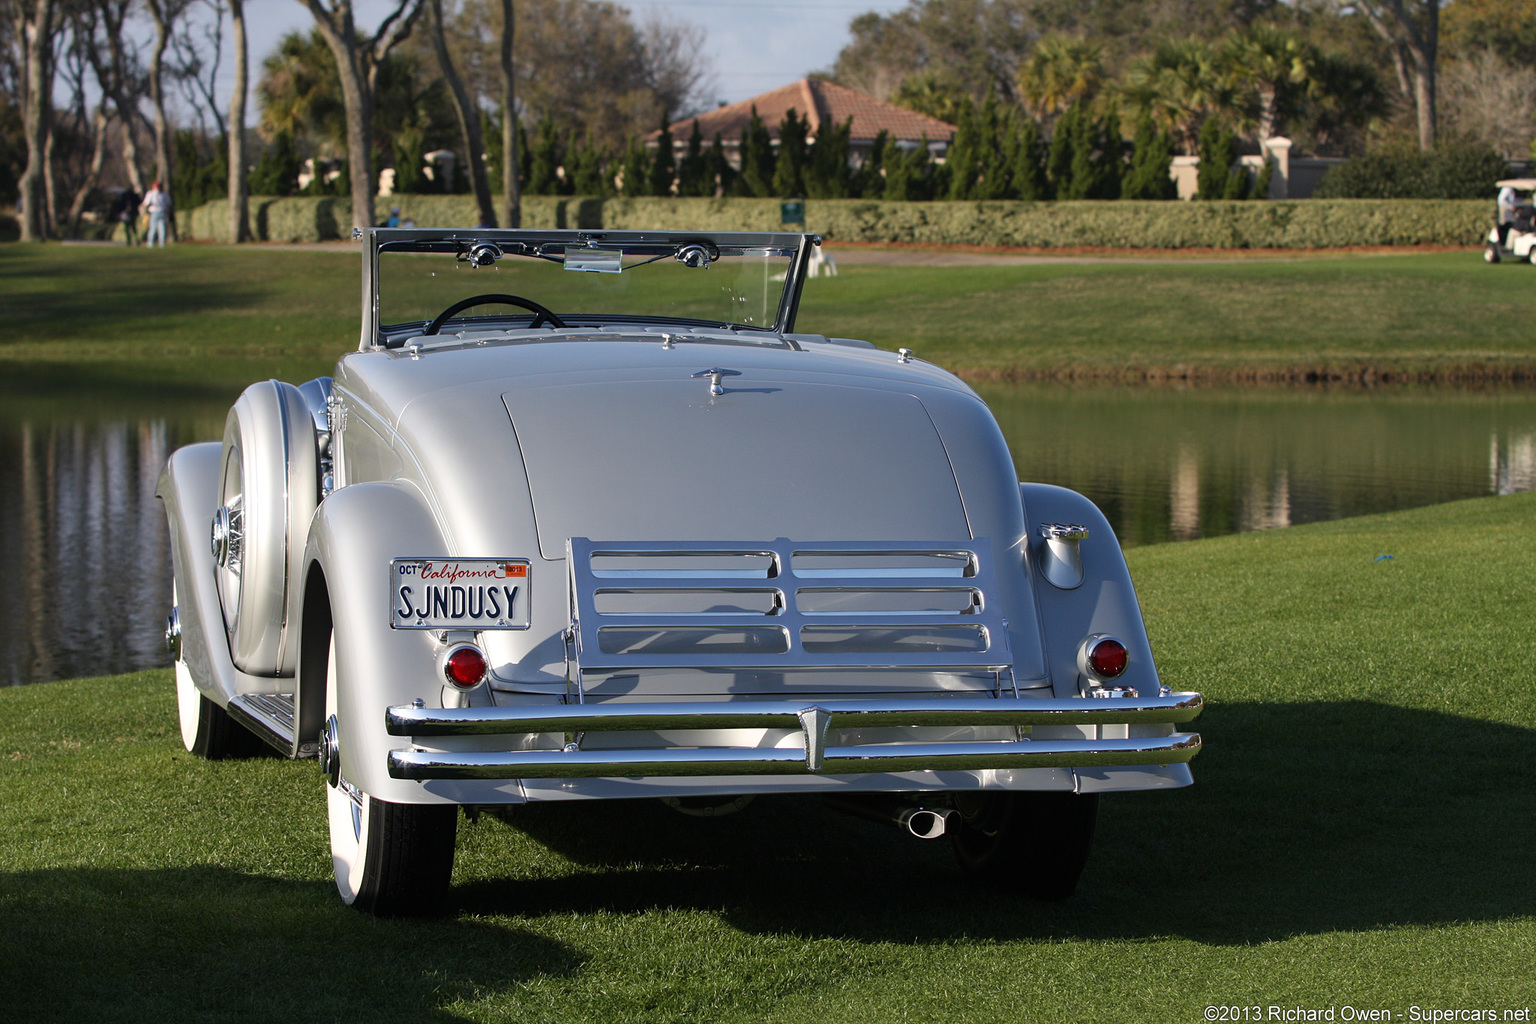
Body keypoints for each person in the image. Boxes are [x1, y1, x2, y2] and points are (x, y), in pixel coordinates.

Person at [141, 181, 171, 247]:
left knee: (153, 228)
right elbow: (169, 204)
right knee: (162, 228)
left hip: (154, 212)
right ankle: (162, 244)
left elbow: (146, 203)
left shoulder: (151, 194)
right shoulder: (164, 194)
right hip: (162, 212)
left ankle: (150, 243)